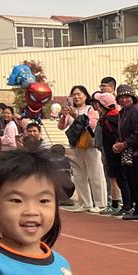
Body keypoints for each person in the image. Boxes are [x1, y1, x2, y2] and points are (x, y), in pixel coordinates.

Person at [57, 85, 106, 213]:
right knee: (79, 176)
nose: (76, 97)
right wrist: (64, 115)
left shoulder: (90, 109)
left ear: (85, 96)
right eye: (74, 95)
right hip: (76, 146)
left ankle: (100, 203)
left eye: (79, 94)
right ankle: (85, 203)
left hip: (89, 146)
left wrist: (76, 115)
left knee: (95, 174)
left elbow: (92, 125)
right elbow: (61, 127)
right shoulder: (70, 111)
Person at [112, 85, 138, 220]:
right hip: (128, 151)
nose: (124, 100)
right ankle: (135, 208)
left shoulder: (136, 111)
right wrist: (118, 143)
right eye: (121, 97)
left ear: (133, 97)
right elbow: (122, 132)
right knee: (130, 180)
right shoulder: (123, 112)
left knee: (137, 181)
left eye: (127, 97)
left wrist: (124, 144)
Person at [93, 92, 123, 215]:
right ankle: (123, 203)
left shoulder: (106, 120)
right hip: (118, 152)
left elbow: (106, 138)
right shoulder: (119, 115)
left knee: (113, 179)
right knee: (120, 179)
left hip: (111, 153)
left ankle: (115, 204)